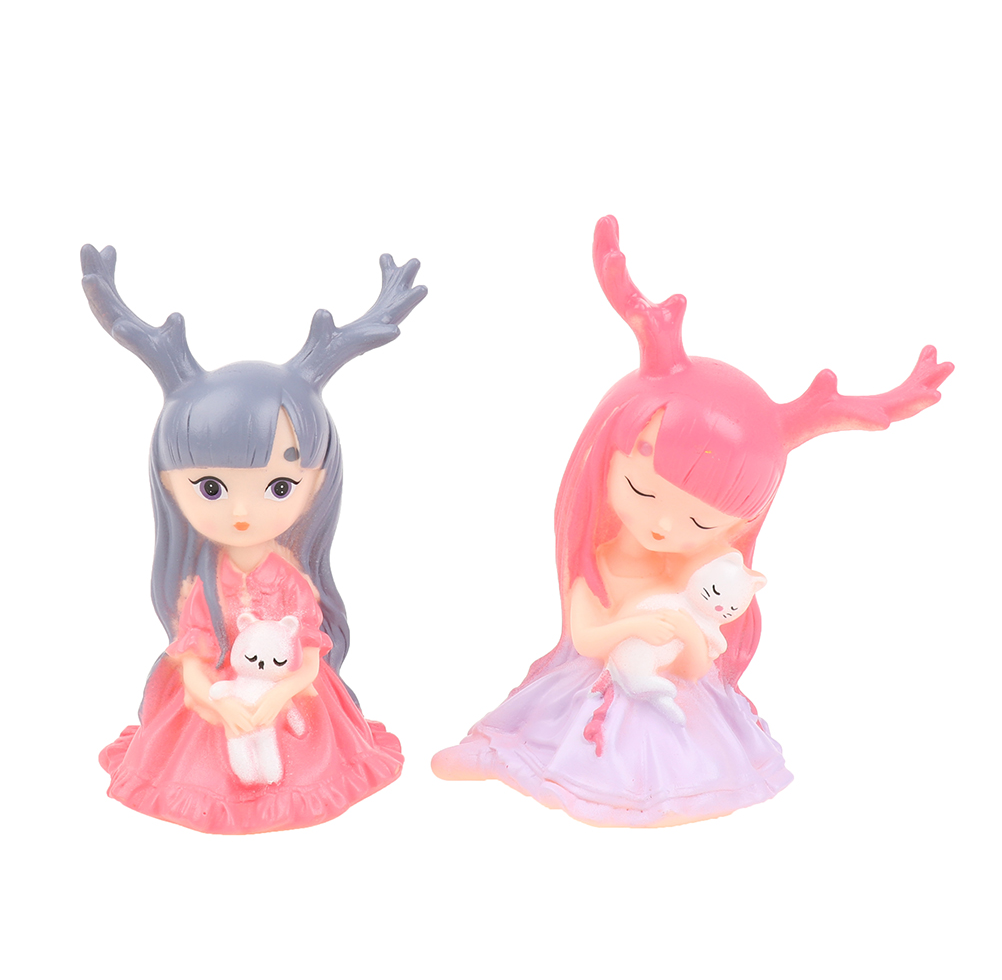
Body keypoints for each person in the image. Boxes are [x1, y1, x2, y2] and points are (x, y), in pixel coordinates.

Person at [432, 215, 951, 827]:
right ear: (603, 460)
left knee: (666, 736)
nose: (662, 526)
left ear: (736, 528)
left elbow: (698, 665)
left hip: (668, 693)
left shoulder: (698, 579)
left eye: (701, 523)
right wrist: (638, 627)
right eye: (639, 488)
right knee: (546, 732)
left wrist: (684, 638)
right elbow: (588, 637)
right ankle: (504, 754)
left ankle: (656, 791)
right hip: (593, 684)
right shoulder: (599, 562)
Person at [82, 244, 425, 833]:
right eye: (212, 488)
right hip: (218, 707)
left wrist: (276, 697)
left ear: (316, 482)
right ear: (170, 482)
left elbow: (310, 661)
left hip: (288, 707)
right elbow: (193, 663)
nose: (243, 511)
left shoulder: (290, 582)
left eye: (278, 486)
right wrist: (214, 701)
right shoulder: (202, 586)